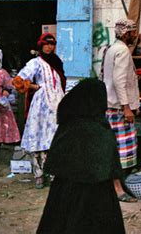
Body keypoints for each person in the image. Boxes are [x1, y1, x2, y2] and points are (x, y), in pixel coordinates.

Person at [37, 79, 125, 234]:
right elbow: (111, 166)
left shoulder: (68, 126)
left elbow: (55, 160)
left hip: (65, 192)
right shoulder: (100, 129)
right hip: (98, 194)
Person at [13, 33, 66, 188]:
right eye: (47, 44)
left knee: (54, 139)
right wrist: (34, 86)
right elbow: (19, 80)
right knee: (38, 139)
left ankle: (53, 173)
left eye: (52, 44)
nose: (50, 47)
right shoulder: (35, 62)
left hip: (57, 103)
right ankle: (39, 175)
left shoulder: (57, 62)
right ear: (41, 45)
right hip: (42, 105)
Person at [101, 18, 140, 202]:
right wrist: (127, 107)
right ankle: (118, 189)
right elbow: (119, 80)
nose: (135, 35)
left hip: (111, 105)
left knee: (113, 149)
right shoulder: (123, 51)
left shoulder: (111, 48)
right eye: (133, 32)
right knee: (120, 152)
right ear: (126, 33)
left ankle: (117, 187)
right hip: (118, 108)